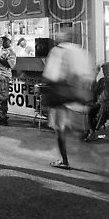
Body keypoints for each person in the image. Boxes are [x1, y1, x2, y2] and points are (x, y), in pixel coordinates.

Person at [42, 31, 94, 170]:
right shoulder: (83, 53)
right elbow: (89, 76)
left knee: (60, 130)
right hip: (79, 96)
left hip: (61, 96)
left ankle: (64, 160)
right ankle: (82, 137)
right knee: (76, 125)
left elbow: (51, 75)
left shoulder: (58, 51)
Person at [85, 62, 109, 142]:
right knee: (90, 111)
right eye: (103, 69)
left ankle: (95, 132)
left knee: (104, 106)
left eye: (106, 69)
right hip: (101, 103)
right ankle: (92, 131)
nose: (104, 71)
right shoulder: (102, 81)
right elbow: (93, 89)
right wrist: (95, 75)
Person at [0, 35, 16, 126]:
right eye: (2, 39)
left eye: (4, 40)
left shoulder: (11, 52)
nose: (2, 41)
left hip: (4, 77)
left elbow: (10, 65)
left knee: (3, 98)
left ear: (9, 41)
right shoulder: (1, 49)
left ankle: (3, 117)